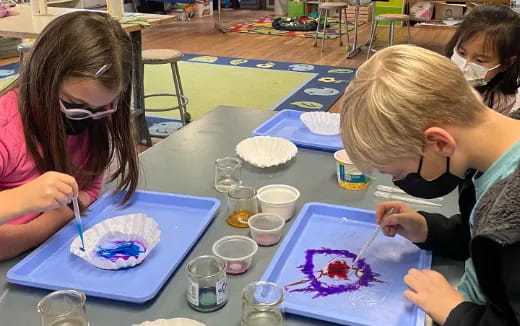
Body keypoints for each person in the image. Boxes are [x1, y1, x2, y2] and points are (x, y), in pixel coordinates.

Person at [341, 45, 520, 325]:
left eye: (399, 171)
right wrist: (428, 230)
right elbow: (484, 235)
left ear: (439, 143)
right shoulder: (490, 159)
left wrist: (455, 312)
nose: (400, 181)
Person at [0, 11, 139, 261]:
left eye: (102, 108)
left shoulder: (96, 116)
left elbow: (90, 189)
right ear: (43, 79)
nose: (88, 117)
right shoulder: (6, 128)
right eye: (74, 104)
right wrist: (23, 200)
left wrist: (41, 227)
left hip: (44, 255)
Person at [446, 4, 520, 114]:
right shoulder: (442, 73)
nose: (464, 65)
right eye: (461, 52)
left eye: (479, 60)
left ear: (505, 64)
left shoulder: (502, 100)